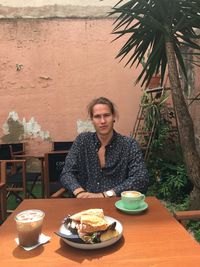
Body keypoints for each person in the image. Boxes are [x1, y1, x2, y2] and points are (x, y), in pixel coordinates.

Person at [60, 97, 149, 198]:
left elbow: (141, 178)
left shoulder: (129, 145)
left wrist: (106, 195)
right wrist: (80, 192)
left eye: (106, 115)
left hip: (116, 204)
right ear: (92, 120)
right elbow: (67, 172)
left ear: (113, 117)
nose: (102, 121)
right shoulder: (82, 141)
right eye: (97, 116)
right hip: (84, 204)